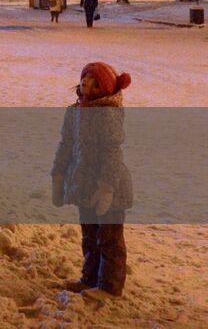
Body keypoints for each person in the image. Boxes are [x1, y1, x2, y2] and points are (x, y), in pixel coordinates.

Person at [51, 61, 133, 301]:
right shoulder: (74, 112)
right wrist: (58, 176)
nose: (87, 82)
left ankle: (109, 286)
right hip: (84, 186)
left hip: (111, 188)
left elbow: (112, 154)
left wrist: (107, 188)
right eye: (86, 77)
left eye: (95, 82)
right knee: (89, 236)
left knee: (109, 239)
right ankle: (89, 278)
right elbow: (66, 146)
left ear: (103, 91)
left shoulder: (107, 115)